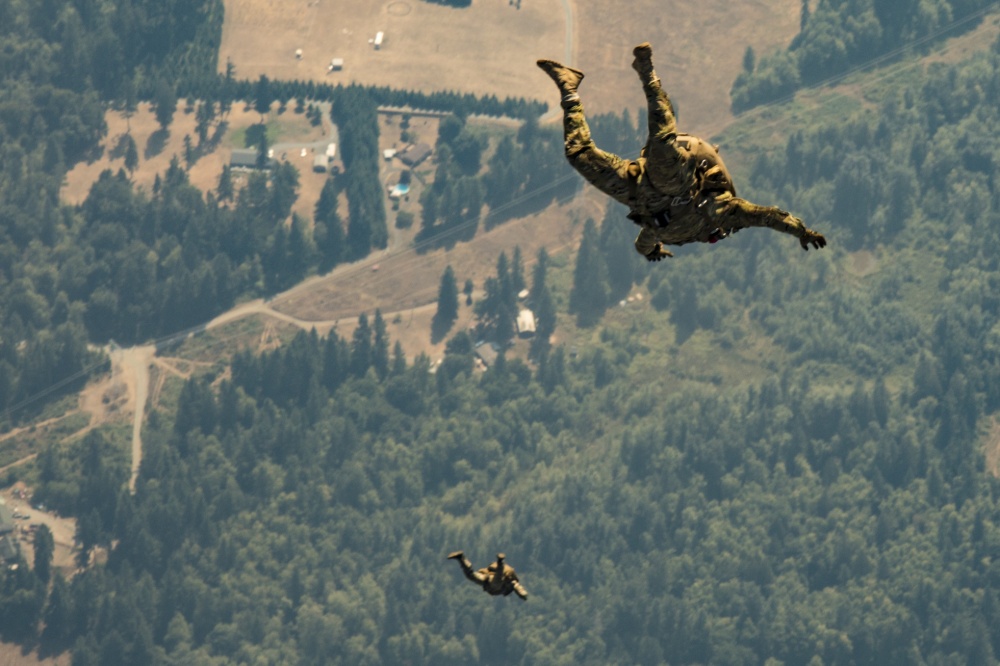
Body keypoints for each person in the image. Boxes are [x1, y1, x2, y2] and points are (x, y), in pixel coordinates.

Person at [537, 43, 827, 261]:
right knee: (662, 141)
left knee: (579, 155)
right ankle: (648, 75)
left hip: (635, 189)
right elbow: (768, 216)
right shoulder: (723, 213)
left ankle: (569, 88)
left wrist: (652, 251)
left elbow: (643, 244)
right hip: (675, 183)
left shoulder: (661, 233)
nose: (714, 237)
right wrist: (801, 231)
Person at [447, 551, 529, 600]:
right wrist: (522, 594)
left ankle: (461, 558)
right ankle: (500, 562)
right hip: (491, 580)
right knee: (497, 582)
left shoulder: (505, 584)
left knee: (470, 575)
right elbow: (516, 585)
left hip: (486, 579)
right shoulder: (509, 582)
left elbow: (516, 586)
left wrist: (522, 594)